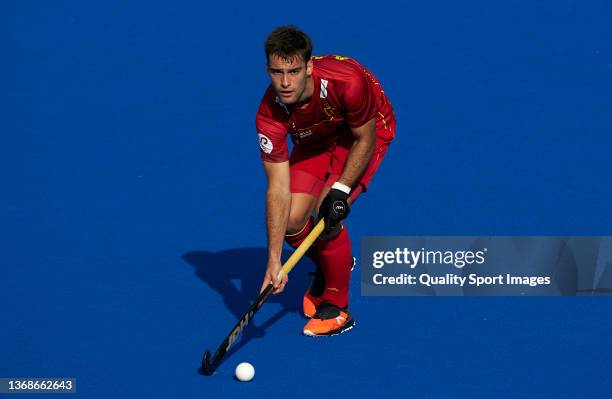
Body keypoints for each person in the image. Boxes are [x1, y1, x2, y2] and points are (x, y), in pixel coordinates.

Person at [256, 25, 396, 336]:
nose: (285, 82)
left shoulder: (347, 82)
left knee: (328, 212)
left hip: (364, 133)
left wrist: (341, 190)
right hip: (317, 138)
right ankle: (334, 263)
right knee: (292, 220)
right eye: (277, 72)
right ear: (267, 70)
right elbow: (277, 187)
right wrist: (274, 260)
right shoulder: (269, 114)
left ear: (308, 66)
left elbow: (365, 139)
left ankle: (336, 307)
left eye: (293, 71)